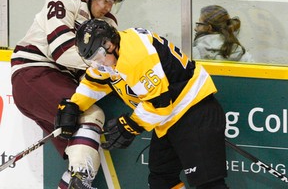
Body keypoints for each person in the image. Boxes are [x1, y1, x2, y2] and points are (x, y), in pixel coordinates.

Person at [59, 18, 229, 188]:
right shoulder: (113, 53)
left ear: (109, 45)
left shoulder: (135, 56)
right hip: (169, 120)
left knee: (210, 185)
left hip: (194, 112)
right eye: (92, 60)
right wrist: (75, 105)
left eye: (98, 57)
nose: (98, 64)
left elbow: (160, 105)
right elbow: (95, 81)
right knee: (161, 181)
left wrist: (131, 125)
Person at [10, 0, 127, 188]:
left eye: (114, 2)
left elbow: (94, 73)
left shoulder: (108, 23)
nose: (109, 7)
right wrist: (105, 67)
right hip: (34, 72)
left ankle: (78, 181)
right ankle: (81, 178)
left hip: (62, 81)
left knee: (88, 150)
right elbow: (61, 51)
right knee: (92, 115)